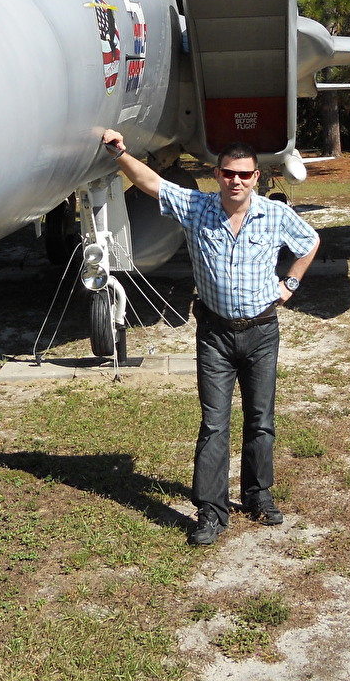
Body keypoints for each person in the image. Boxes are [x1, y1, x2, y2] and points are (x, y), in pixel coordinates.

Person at [100, 128, 320, 546]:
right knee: (214, 424)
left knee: (260, 421)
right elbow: (152, 183)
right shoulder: (197, 207)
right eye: (227, 174)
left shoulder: (275, 215)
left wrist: (289, 284)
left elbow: (310, 242)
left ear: (257, 177)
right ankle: (211, 512)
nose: (235, 181)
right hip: (215, 335)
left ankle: (258, 496)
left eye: (244, 174)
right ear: (216, 174)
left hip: (261, 332)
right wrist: (120, 154)